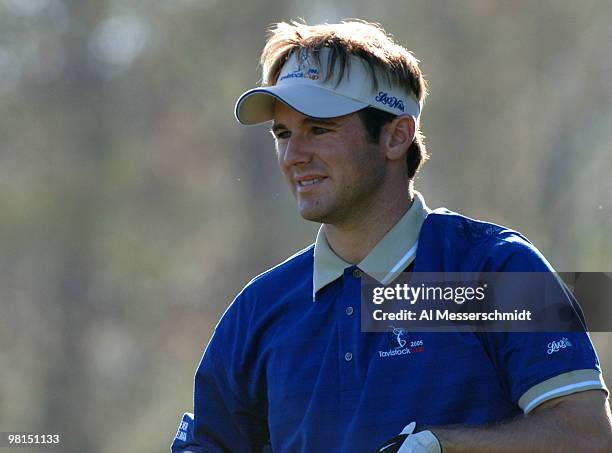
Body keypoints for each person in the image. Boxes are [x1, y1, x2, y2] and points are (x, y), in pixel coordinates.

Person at [170, 21, 611, 452]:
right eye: (283, 134)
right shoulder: (259, 309)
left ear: (396, 136)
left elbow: (587, 436)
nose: (293, 156)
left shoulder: (497, 269)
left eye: (319, 129)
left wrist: (445, 445)